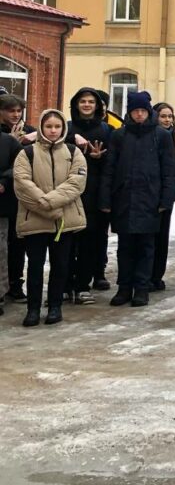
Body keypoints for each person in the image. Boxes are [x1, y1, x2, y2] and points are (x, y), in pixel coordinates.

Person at [99, 91, 175, 308]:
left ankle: (142, 288)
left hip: (150, 200)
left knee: (146, 247)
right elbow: (110, 169)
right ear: (130, 113)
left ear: (148, 112)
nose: (139, 115)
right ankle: (124, 287)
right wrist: (105, 199)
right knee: (125, 247)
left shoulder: (161, 135)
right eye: (135, 111)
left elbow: (169, 171)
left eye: (143, 111)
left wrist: (165, 199)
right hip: (124, 198)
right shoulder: (119, 136)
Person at [13, 109, 87, 326]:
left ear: (63, 128)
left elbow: (76, 183)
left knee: (61, 265)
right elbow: (23, 185)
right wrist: (49, 207)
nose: (53, 130)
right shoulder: (26, 154)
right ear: (41, 128)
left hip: (64, 222)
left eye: (57, 126)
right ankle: (33, 309)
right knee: (35, 266)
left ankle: (55, 306)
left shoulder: (73, 152)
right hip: (35, 221)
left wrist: (51, 202)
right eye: (48, 126)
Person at [65, 87, 112, 302]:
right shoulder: (66, 128)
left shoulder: (106, 130)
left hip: (94, 194)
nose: (86, 105)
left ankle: (83, 285)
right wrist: (72, 139)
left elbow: (111, 163)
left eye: (90, 102)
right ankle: (64, 285)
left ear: (97, 106)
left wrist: (99, 157)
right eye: (82, 101)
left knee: (89, 242)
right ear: (76, 104)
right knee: (65, 243)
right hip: (68, 194)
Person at [151, 102, 175, 292]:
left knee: (162, 236)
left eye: (170, 116)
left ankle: (157, 275)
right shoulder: (150, 137)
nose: (167, 120)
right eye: (163, 116)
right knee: (150, 236)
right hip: (149, 195)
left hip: (167, 194)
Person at [3, 94, 35, 302]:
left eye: (18, 111)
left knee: (17, 243)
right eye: (11, 111)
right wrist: (12, 143)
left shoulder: (29, 131)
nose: (15, 115)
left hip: (20, 198)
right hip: (3, 196)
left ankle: (16, 284)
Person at [0, 126, 20, 316]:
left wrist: (4, 182)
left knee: (0, 252)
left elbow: (18, 166)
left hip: (1, 206)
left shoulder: (8, 141)